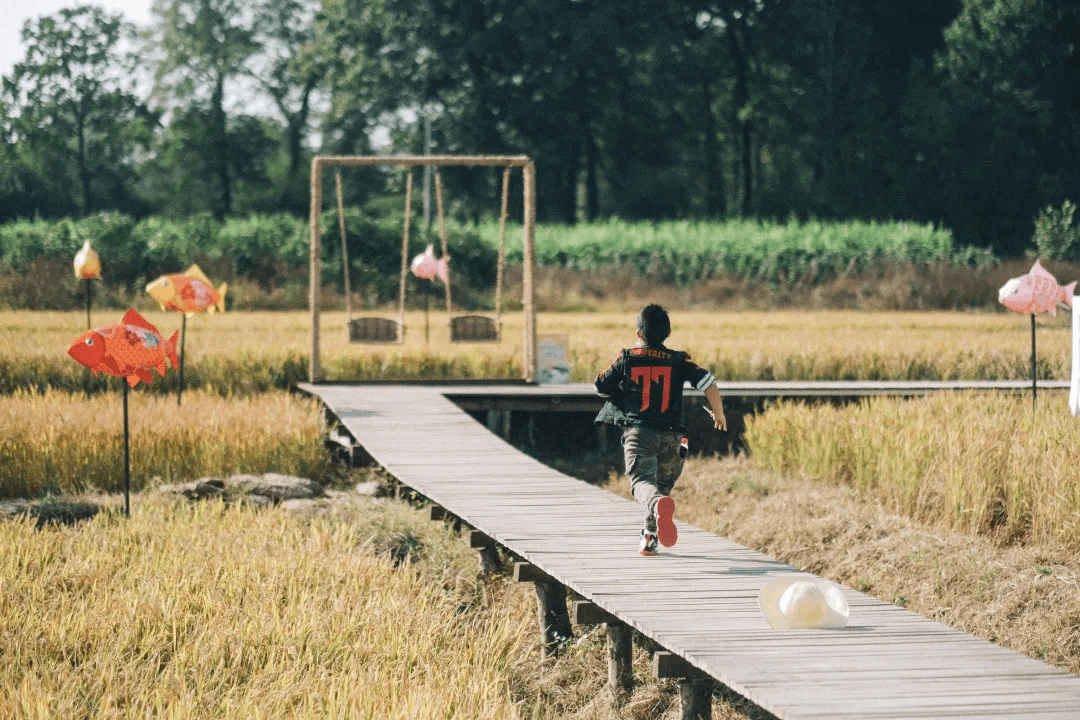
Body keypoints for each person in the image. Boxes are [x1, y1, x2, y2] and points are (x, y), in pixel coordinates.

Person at [594, 304, 727, 555]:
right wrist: (718, 413)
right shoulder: (679, 360)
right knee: (662, 485)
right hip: (673, 435)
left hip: (639, 433)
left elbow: (600, 387)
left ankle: (655, 509)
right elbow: (709, 383)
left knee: (642, 484)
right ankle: (649, 537)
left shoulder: (627, 357)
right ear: (667, 333)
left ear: (638, 333)